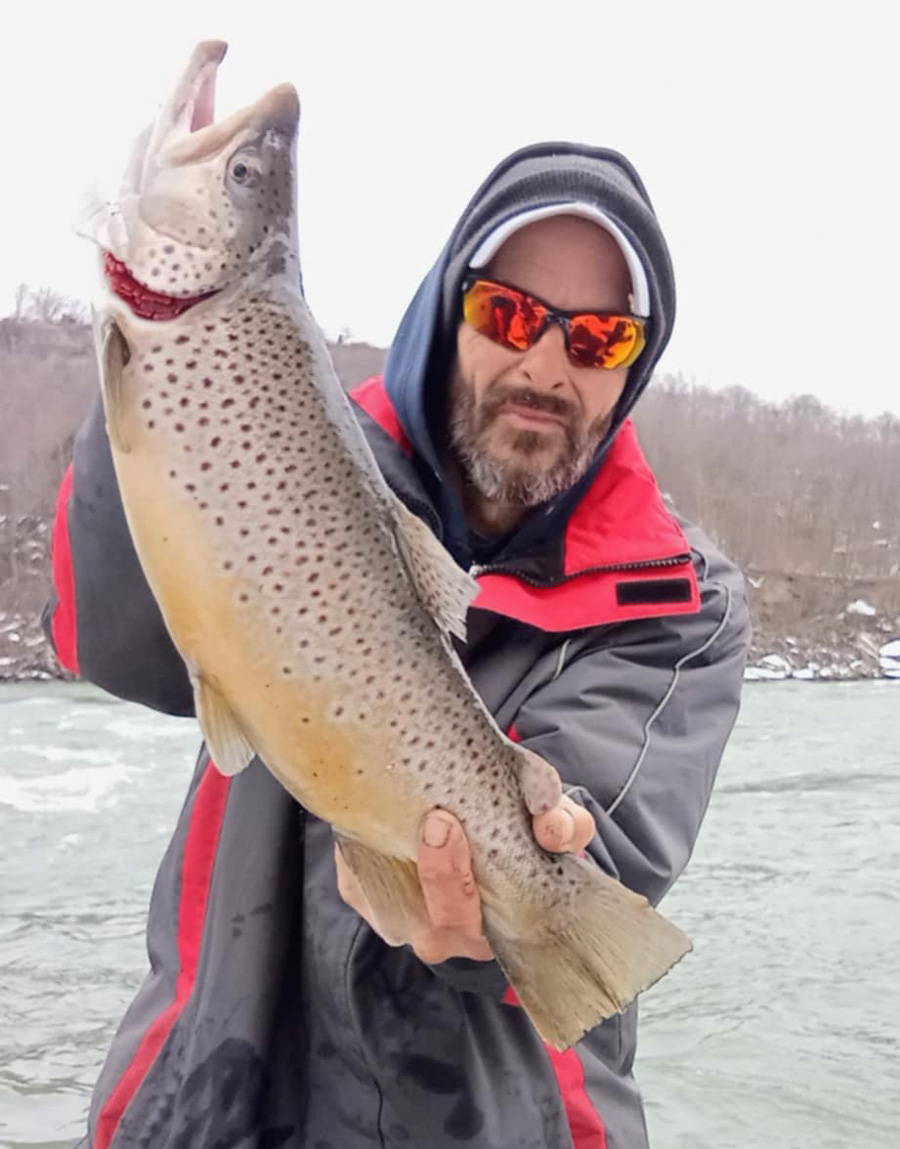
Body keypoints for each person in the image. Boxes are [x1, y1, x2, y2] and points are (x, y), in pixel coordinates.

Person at [44, 141, 751, 1149]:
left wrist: (506, 900)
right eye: (509, 315)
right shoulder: (284, 456)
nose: (544, 366)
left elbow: (608, 833)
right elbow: (108, 642)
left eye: (597, 338)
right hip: (201, 1107)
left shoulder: (682, 600)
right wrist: (162, 398)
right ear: (446, 305)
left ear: (632, 365)